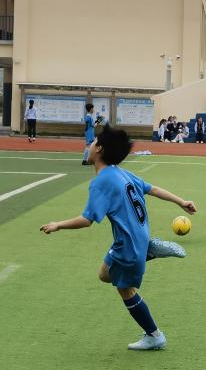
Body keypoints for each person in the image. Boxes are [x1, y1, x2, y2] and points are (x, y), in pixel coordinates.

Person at [40, 125, 196, 350]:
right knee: (104, 274)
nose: (89, 145)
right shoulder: (120, 172)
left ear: (100, 149)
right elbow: (152, 189)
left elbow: (87, 219)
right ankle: (147, 251)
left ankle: (154, 335)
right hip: (137, 236)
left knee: (126, 290)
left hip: (128, 243)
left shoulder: (102, 181)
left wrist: (58, 225)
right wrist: (181, 201)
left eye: (92, 142)